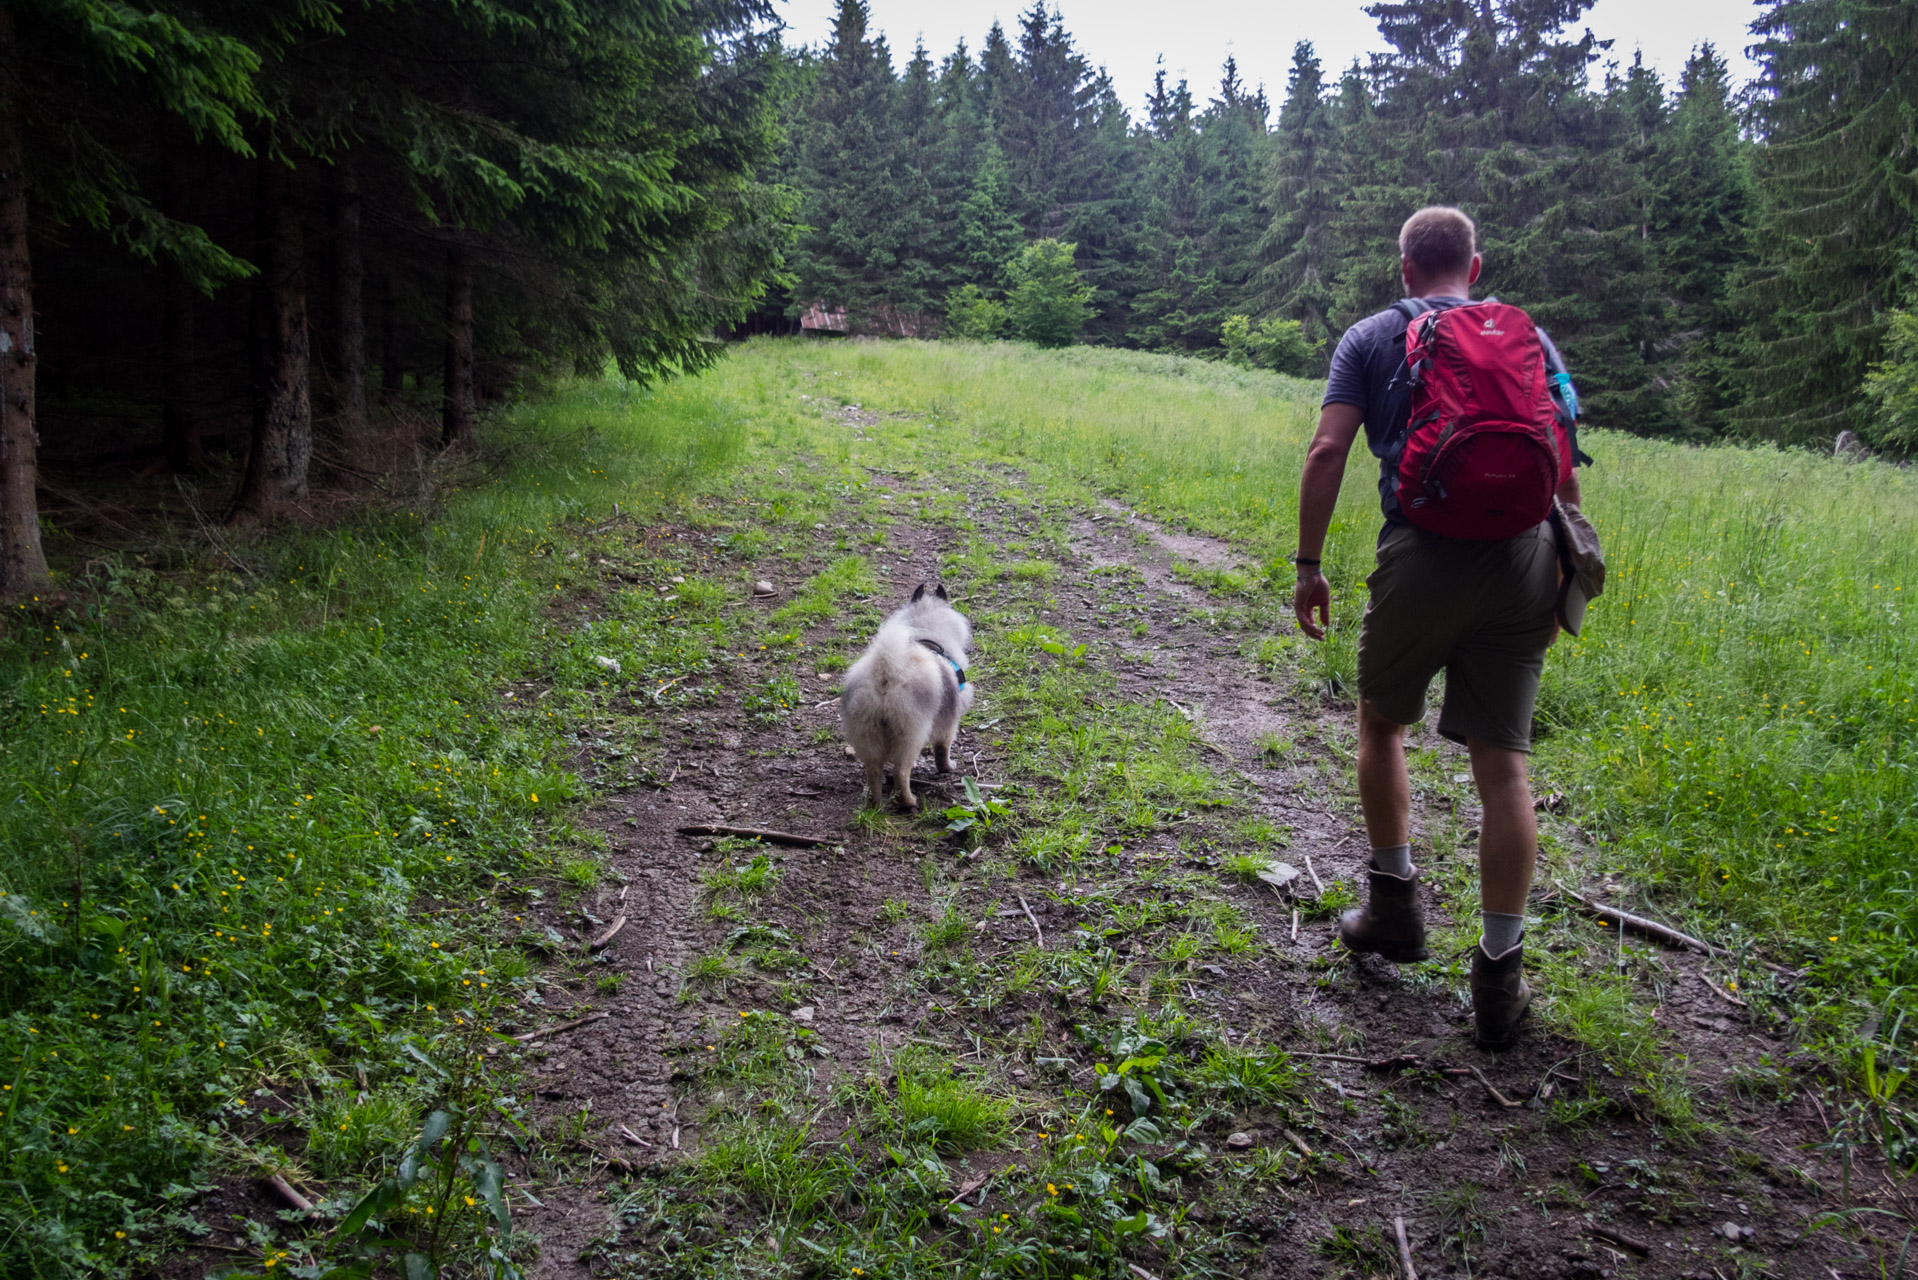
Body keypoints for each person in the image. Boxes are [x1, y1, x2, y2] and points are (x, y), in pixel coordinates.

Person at [1291, 206, 1584, 1050]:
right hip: (1529, 554)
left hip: (1423, 552)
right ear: (1476, 267)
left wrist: (1308, 565)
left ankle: (1395, 908)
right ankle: (1500, 978)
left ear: (1406, 268)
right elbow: (1561, 465)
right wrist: (1566, 570)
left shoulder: (1371, 337)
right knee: (1505, 764)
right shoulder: (1530, 340)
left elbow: (1326, 453)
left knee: (1382, 724)